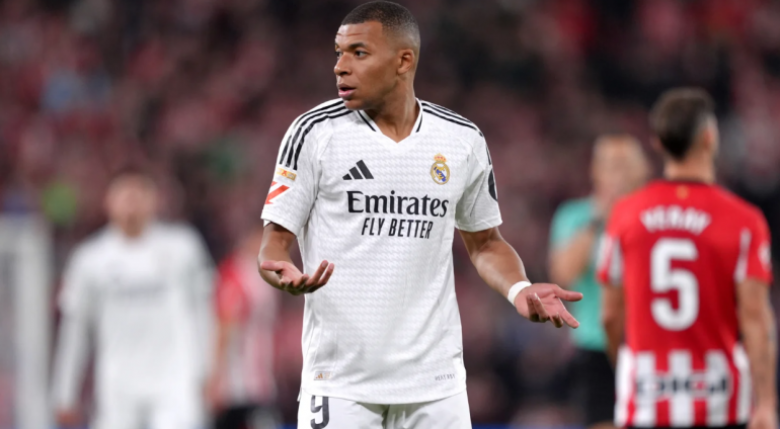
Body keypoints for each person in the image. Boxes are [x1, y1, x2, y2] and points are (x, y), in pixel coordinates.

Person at [258, 1, 583, 428]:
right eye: (338, 53)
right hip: (342, 382)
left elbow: (486, 243)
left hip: (437, 385)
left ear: (403, 61)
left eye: (358, 53)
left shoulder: (461, 140)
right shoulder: (313, 134)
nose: (340, 66)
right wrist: (278, 268)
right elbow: (275, 240)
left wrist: (519, 288)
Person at [597, 88, 777, 429]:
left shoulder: (624, 215)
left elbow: (608, 315)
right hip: (720, 401)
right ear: (709, 138)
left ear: (657, 143)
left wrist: (628, 369)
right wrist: (766, 403)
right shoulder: (744, 221)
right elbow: (756, 318)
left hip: (646, 399)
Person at [52, 168, 214, 429]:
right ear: (108, 201)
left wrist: (208, 372)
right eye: (124, 195)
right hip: (117, 387)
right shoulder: (90, 259)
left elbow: (203, 313)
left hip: (174, 383)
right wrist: (65, 393)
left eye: (139, 194)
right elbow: (75, 330)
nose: (132, 203)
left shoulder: (183, 248)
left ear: (154, 200)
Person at [549, 135, 649, 429]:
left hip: (646, 343)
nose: (619, 175)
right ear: (595, 170)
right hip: (596, 344)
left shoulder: (651, 216)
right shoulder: (575, 216)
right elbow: (562, 273)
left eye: (625, 166)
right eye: (611, 165)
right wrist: (599, 218)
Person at [205, 226, 280, 429]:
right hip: (239, 386)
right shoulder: (237, 274)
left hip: (256, 384)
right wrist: (217, 377)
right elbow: (226, 326)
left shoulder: (261, 273)